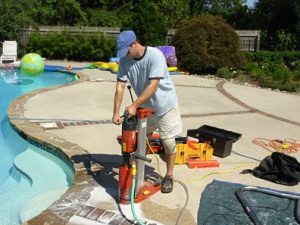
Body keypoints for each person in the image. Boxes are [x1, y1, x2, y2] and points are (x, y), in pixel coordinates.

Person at [112, 30, 182, 194]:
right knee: (140, 140)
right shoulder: (124, 60)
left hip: (166, 105)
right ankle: (139, 172)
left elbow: (153, 85)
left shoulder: (155, 56)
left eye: (127, 51)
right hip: (147, 107)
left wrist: (134, 105)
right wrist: (115, 112)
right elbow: (120, 86)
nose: (125, 55)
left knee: (168, 141)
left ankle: (169, 175)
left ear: (134, 44)